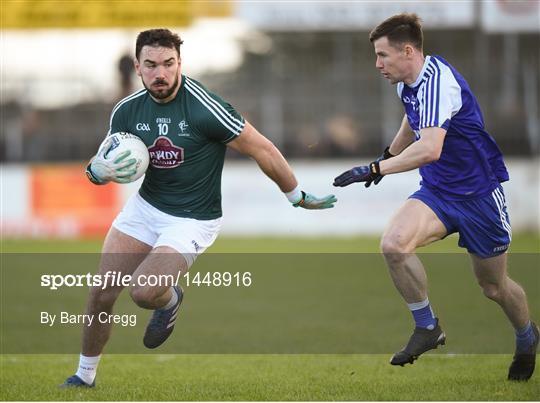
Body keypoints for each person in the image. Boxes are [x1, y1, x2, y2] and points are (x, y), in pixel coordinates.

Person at [62, 28, 337, 388]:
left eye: (168, 64)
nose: (160, 73)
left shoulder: (204, 106)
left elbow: (262, 148)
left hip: (192, 219)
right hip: (145, 209)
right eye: (151, 65)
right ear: (138, 67)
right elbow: (107, 159)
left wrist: (296, 195)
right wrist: (96, 172)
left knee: (144, 291)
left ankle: (169, 298)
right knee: (101, 292)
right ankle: (84, 378)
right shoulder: (127, 111)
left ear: (179, 63)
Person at [333, 13, 538, 381]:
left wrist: (376, 170)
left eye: (383, 55)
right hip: (438, 192)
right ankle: (427, 326)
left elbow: (430, 149)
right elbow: (412, 122)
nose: (377, 64)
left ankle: (527, 336)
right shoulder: (406, 82)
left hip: (479, 197)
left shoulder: (439, 83)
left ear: (407, 51)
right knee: (394, 245)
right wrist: (389, 156)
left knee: (493, 287)